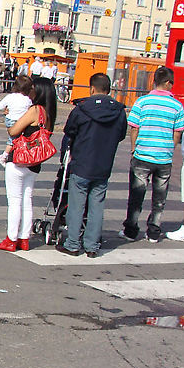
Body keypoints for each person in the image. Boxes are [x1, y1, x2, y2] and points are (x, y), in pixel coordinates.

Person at [55, 73, 128, 257]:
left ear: (92, 88)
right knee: (97, 206)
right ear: (109, 89)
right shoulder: (119, 111)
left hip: (82, 162)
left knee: (76, 205)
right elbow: (121, 134)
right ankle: (92, 246)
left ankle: (72, 244)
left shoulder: (82, 108)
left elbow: (70, 131)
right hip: (104, 164)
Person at [119, 66, 184, 242]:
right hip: (164, 158)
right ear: (169, 83)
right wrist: (170, 148)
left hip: (142, 155)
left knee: (136, 196)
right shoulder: (177, 105)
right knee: (159, 199)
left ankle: (130, 231)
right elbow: (178, 132)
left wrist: (134, 148)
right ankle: (153, 232)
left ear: (155, 81)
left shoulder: (142, 102)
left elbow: (134, 127)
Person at [0, 77, 57, 252]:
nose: (30, 91)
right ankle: (24, 238)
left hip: (19, 160)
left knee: (14, 201)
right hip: (34, 162)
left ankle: (11, 239)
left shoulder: (35, 110)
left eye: (33, 88)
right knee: (27, 200)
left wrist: (9, 118)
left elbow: (13, 130)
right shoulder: (49, 113)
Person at [0, 75, 34, 166]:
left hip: (9, 119)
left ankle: (9, 155)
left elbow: (0, 106)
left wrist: (7, 108)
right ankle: (4, 155)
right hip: (19, 120)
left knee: (14, 138)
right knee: (14, 140)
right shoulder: (27, 99)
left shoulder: (10, 96)